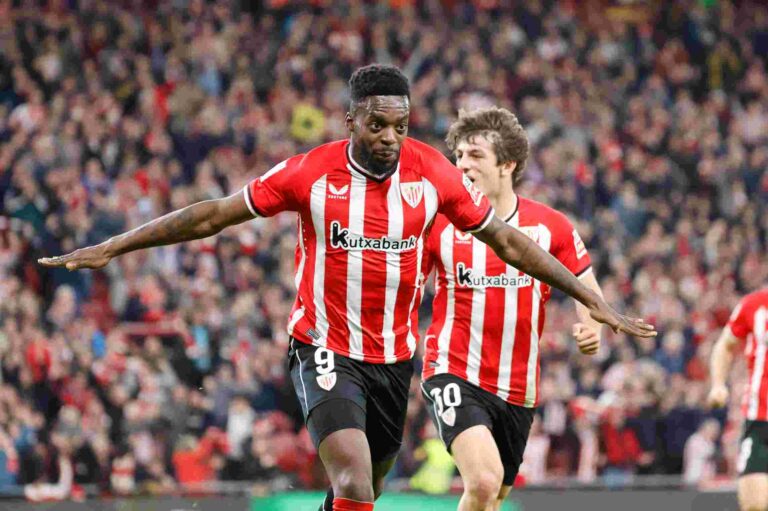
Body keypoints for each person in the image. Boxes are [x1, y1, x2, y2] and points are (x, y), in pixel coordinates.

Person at [39, 64, 655, 511]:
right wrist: (115, 246)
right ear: (351, 120)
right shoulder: (311, 173)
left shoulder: (432, 175)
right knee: (355, 483)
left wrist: (593, 302)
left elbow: (510, 244)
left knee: (365, 491)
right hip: (324, 348)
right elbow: (213, 215)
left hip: (393, 362)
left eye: (400, 125)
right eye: (377, 124)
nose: (389, 137)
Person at [419, 107, 606, 510]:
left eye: (475, 155)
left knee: (493, 497)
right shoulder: (438, 223)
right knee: (483, 482)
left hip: (518, 387)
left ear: (507, 164)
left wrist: (591, 327)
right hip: (454, 369)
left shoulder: (550, 226)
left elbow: (586, 289)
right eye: (459, 156)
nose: (462, 165)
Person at [708, 286, 768, 511]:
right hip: (760, 420)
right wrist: (718, 384)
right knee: (754, 505)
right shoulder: (755, 304)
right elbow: (725, 345)